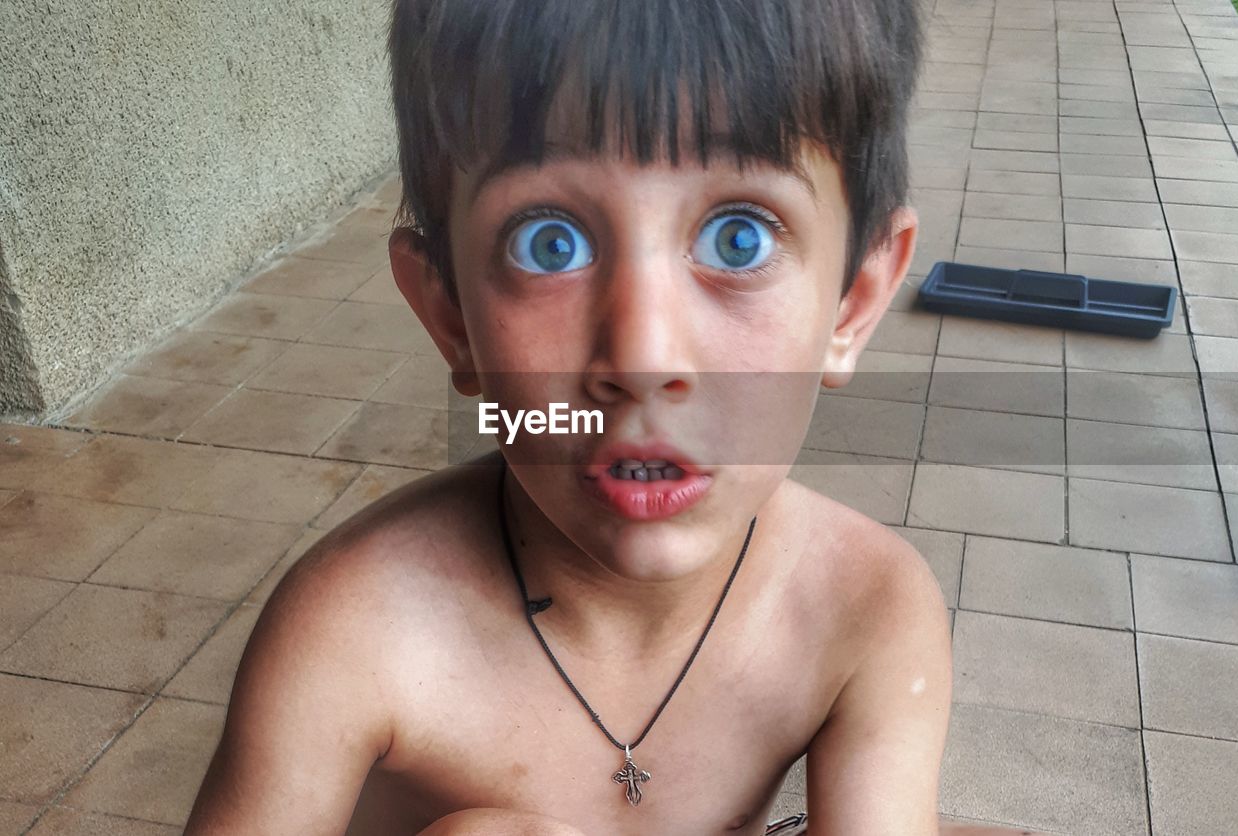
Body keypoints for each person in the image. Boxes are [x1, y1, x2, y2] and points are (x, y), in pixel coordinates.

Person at [183, 1, 994, 833]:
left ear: (852, 304)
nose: (642, 360)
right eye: (550, 243)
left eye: (738, 238)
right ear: (451, 315)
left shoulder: (867, 609)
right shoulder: (351, 634)